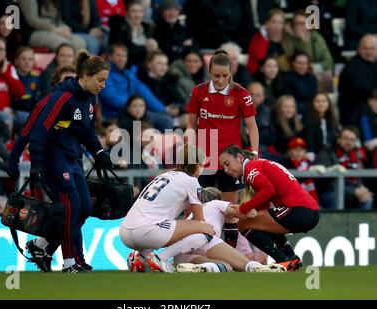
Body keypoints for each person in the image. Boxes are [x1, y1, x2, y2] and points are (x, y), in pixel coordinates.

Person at [23, 51, 113, 273]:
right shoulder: (56, 101)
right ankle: (70, 262)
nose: (103, 85)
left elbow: (86, 132)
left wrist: (99, 151)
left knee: (83, 208)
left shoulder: (88, 99)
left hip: (73, 159)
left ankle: (41, 244)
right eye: (100, 80)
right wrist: (35, 160)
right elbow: (38, 133)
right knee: (72, 207)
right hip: (55, 160)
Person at [219, 145, 320, 271]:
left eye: (227, 164)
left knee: (243, 224)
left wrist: (243, 209)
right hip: (312, 211)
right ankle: (292, 259)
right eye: (223, 167)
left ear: (240, 158)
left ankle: (283, 261)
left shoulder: (251, 168)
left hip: (297, 209)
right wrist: (253, 212)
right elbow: (265, 202)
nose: (226, 170)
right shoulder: (259, 165)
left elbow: (268, 190)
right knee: (261, 223)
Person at [120, 144, 216, 272]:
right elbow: (200, 220)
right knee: (207, 230)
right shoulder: (191, 181)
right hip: (147, 231)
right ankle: (161, 259)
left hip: (125, 231)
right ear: (198, 164)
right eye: (203, 165)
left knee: (168, 225)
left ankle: (139, 258)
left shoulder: (164, 174)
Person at [185, 50, 259, 204]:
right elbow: (191, 125)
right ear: (209, 72)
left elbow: (252, 127)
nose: (220, 80)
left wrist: (254, 151)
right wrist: (191, 149)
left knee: (229, 208)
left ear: (231, 73)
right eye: (216, 76)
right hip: (204, 157)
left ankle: (229, 229)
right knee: (197, 205)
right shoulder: (198, 91)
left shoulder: (241, 94)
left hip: (231, 158)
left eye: (225, 76)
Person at [174, 187, 286, 273]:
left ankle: (204, 267)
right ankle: (258, 268)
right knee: (246, 265)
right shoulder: (216, 204)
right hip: (205, 240)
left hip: (182, 251)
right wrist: (250, 207)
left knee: (226, 267)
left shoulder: (192, 214)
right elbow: (250, 213)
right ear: (219, 199)